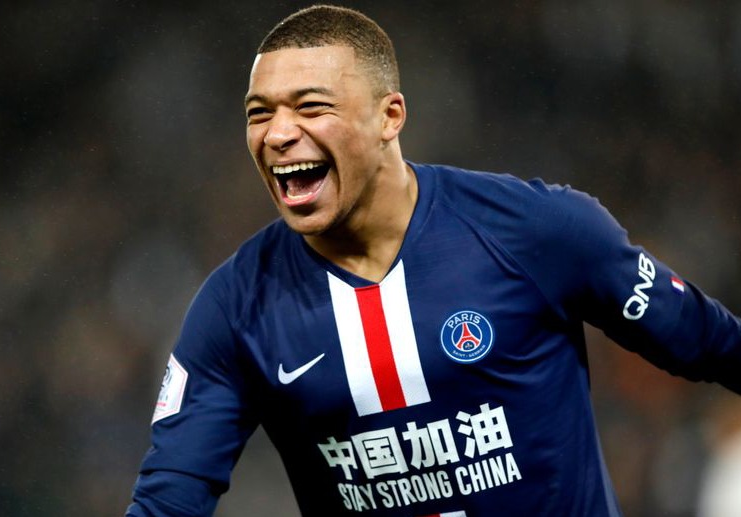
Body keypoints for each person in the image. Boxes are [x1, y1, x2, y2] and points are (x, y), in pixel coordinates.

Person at [126, 5, 741, 516]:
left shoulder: (536, 232)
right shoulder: (235, 308)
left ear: (389, 116)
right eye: (259, 113)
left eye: (310, 107)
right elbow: (170, 497)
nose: (278, 134)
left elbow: (715, 343)